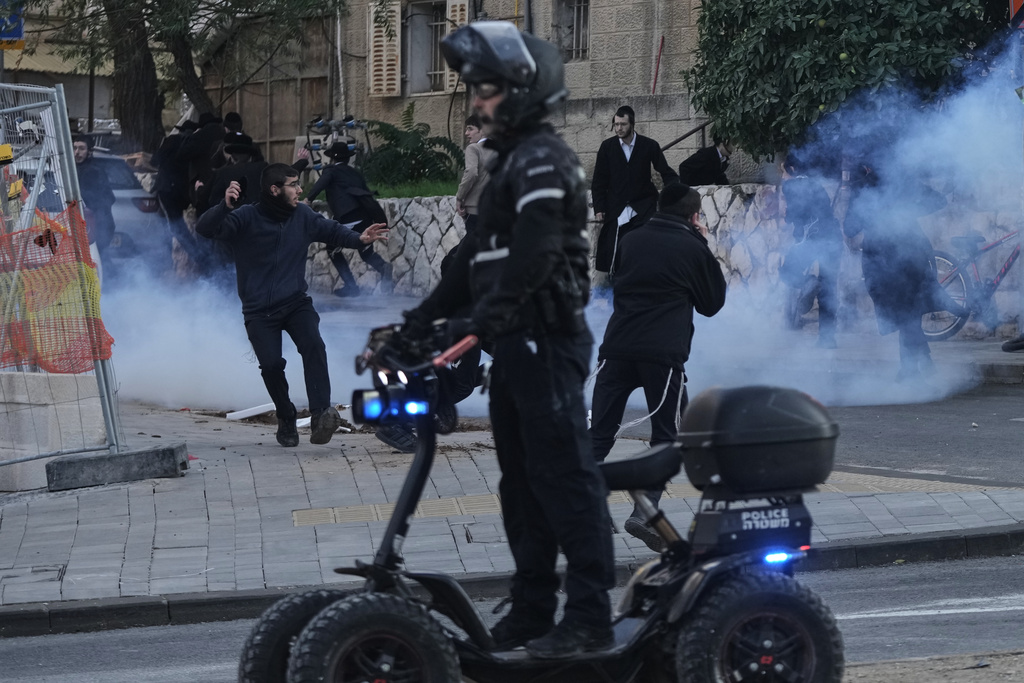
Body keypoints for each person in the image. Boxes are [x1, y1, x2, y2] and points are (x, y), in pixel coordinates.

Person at [399, 21, 616, 659]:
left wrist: (476, 323)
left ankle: (590, 618)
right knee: (520, 486)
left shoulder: (546, 159)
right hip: (515, 346)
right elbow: (470, 261)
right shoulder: (506, 169)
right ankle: (531, 611)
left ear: (524, 90)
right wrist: (418, 322)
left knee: (564, 479)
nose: (476, 102)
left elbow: (536, 257)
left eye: (487, 90)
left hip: (548, 342)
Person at [196, 164, 389, 447]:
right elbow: (205, 228)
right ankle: (286, 416)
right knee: (271, 365)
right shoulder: (246, 217)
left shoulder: (303, 216)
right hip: (258, 310)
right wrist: (224, 207)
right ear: (275, 189)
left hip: (295, 302)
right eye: (294, 184)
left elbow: (332, 230)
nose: (300, 190)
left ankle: (321, 414)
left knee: (314, 344)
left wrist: (359, 239)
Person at [590, 183, 726, 551]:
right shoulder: (691, 246)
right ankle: (644, 510)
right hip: (661, 355)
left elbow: (618, 283)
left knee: (599, 434)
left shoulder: (631, 238)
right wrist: (702, 245)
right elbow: (711, 304)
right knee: (667, 438)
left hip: (616, 347)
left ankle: (574, 507)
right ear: (694, 216)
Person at [843, 162, 953, 381]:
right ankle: (923, 363)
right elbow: (937, 200)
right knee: (909, 313)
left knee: (906, 314)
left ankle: (911, 370)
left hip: (886, 261)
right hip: (909, 255)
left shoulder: (866, 188)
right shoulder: (902, 181)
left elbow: (850, 228)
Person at [590, 105, 678, 286]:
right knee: (613, 250)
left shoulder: (649, 145)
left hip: (643, 206)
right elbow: (599, 180)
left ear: (632, 124)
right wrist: (599, 208)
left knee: (646, 247)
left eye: (623, 124)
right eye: (616, 124)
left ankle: (648, 286)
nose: (619, 128)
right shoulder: (607, 147)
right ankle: (615, 290)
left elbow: (666, 172)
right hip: (616, 207)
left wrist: (675, 195)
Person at [305, 142, 392, 297]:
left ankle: (351, 286)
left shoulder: (331, 171)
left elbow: (321, 183)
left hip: (348, 217)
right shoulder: (354, 172)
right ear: (347, 158)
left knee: (332, 249)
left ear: (332, 158)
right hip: (365, 217)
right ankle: (383, 267)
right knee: (365, 252)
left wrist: (308, 199)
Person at [778, 153, 843, 348]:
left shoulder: (791, 185)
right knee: (828, 289)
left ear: (792, 169)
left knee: (787, 273)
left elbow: (794, 215)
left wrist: (787, 216)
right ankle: (827, 338)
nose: (782, 176)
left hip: (811, 240)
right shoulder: (816, 184)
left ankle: (809, 281)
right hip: (833, 239)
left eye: (783, 172)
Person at [72, 135, 116, 259]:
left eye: (81, 148)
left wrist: (90, 208)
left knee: (97, 259)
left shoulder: (95, 171)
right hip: (81, 226)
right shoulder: (71, 169)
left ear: (89, 151)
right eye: (75, 148)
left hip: (98, 226)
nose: (77, 152)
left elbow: (108, 198)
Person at [455, 114, 497, 234]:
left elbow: (471, 173)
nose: (466, 133)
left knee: (471, 243)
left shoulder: (473, 148)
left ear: (483, 130)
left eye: (470, 129)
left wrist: (459, 197)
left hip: (475, 208)